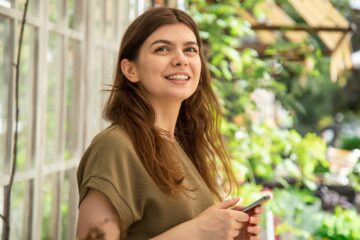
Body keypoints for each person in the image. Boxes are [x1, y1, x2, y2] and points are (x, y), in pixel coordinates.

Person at [76, 7, 265, 240]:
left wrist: (226, 233)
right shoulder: (115, 146)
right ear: (130, 70)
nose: (181, 60)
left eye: (190, 50)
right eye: (163, 49)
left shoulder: (179, 144)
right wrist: (198, 231)